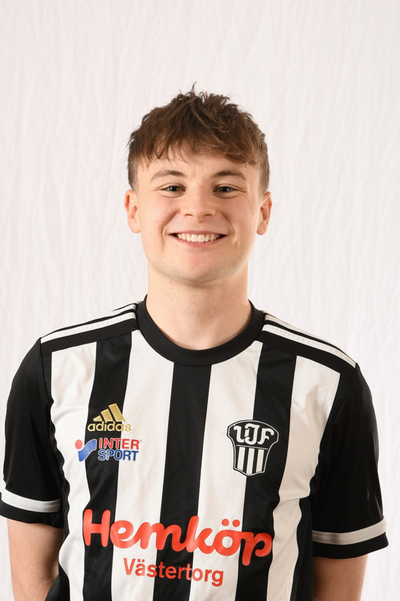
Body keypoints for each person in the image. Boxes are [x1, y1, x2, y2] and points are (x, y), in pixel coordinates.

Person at [0, 89, 388, 601]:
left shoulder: (328, 384)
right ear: (134, 209)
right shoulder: (58, 369)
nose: (199, 207)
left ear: (263, 211)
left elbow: (337, 586)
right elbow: (31, 577)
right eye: (172, 186)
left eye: (226, 187)